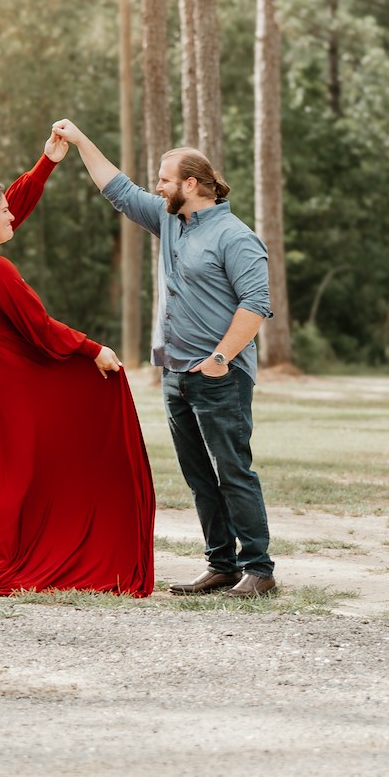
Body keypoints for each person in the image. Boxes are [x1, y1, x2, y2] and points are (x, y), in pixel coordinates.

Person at [0, 131, 155, 597]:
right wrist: (93, 349)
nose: (13, 213)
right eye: (3, 211)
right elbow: (40, 326)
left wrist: (45, 164)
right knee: (9, 471)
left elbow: (11, 209)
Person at [52, 119, 276, 598]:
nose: (157, 186)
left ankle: (259, 569)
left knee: (233, 470)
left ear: (191, 185)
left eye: (165, 179)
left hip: (221, 376)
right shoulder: (171, 221)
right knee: (199, 476)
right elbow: (119, 189)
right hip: (175, 373)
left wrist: (219, 358)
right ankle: (222, 565)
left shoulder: (236, 237)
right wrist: (78, 139)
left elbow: (255, 305)